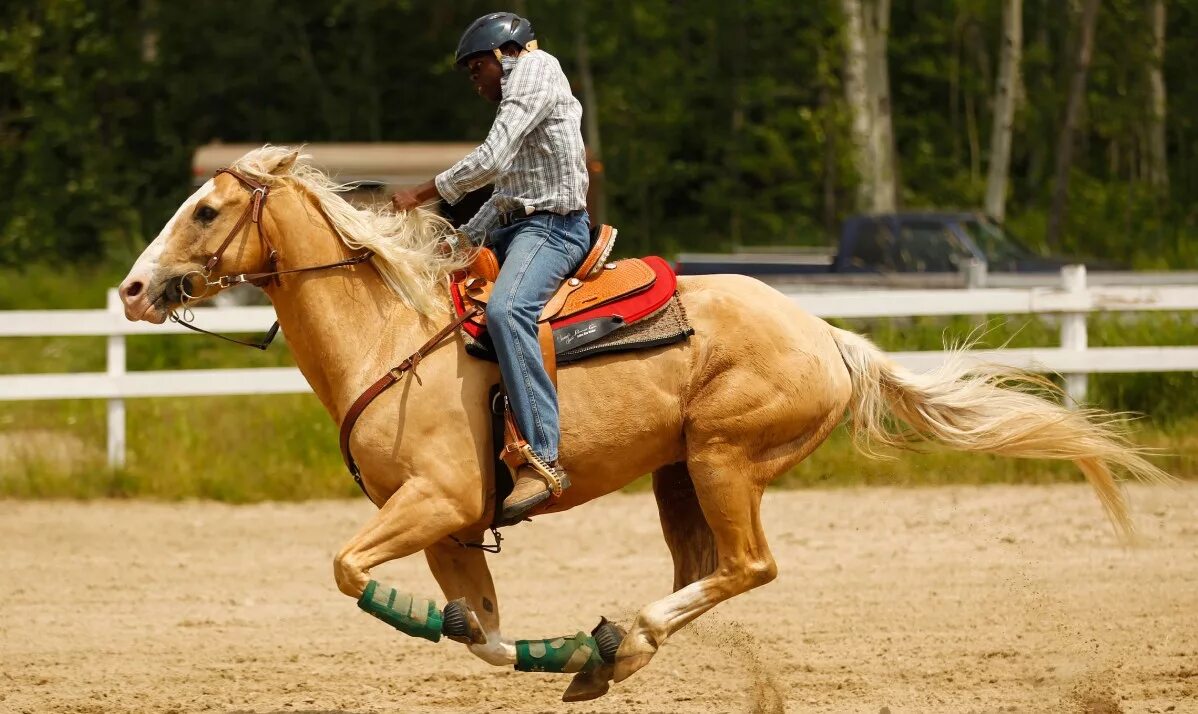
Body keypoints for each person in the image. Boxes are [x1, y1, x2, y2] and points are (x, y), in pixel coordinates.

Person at [391, 12, 590, 525]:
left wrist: (421, 193)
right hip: (516, 226)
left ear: (505, 54)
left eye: (475, 66)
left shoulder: (535, 69)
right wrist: (457, 243)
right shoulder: (519, 94)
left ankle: (541, 456)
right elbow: (505, 196)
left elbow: (493, 158)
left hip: (553, 229)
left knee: (506, 311)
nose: (473, 78)